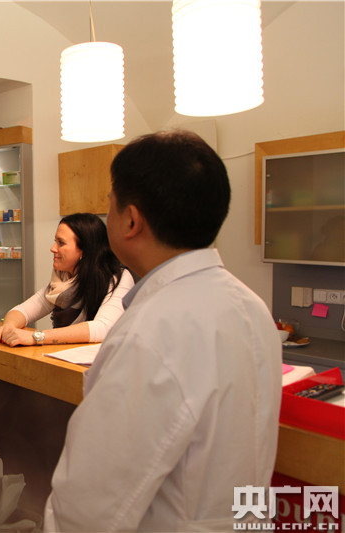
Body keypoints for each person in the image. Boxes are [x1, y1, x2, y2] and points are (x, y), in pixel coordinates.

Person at [43, 130, 283, 531]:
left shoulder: (149, 332)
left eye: (110, 204)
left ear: (131, 220)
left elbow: (88, 508)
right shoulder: (252, 307)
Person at [0, 213, 134, 347]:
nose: (53, 248)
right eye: (55, 241)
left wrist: (36, 337)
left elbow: (102, 328)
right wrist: (8, 328)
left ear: (84, 250)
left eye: (61, 243)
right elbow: (23, 310)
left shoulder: (118, 277)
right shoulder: (62, 279)